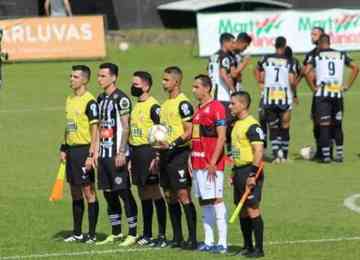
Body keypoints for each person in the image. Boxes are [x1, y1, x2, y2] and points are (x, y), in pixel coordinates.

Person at [95, 63, 138, 246]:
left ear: (113, 77)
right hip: (103, 153)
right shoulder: (100, 98)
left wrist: (121, 151)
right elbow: (98, 126)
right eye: (98, 76)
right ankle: (116, 232)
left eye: (103, 76)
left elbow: (126, 126)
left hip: (117, 154)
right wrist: (95, 150)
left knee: (123, 191)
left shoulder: (121, 99)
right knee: (107, 192)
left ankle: (133, 233)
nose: (100, 79)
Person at [158, 66, 197, 249]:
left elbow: (189, 131)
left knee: (183, 194)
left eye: (166, 80)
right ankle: (177, 237)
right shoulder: (164, 105)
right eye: (163, 79)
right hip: (165, 154)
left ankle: (193, 238)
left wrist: (172, 144)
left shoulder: (183, 103)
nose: (163, 82)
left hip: (179, 153)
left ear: (176, 81)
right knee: (169, 195)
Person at [304, 34, 359, 163]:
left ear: (319, 44)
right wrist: (347, 85)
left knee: (324, 126)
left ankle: (326, 157)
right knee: (338, 125)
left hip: (322, 95)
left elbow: (306, 71)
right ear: (329, 43)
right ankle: (339, 155)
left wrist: (313, 87)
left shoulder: (316, 56)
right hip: (337, 94)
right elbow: (356, 68)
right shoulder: (341, 54)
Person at [60, 65, 99, 243]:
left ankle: (91, 234)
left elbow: (95, 130)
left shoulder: (90, 101)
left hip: (85, 150)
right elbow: (68, 126)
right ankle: (77, 233)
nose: (71, 79)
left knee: (88, 191)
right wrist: (64, 147)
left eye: (75, 77)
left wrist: (92, 154)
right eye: (71, 76)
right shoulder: (69, 99)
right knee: (75, 192)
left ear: (84, 80)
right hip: (72, 151)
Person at [128, 71, 167, 248]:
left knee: (154, 192)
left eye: (136, 84)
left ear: (146, 86)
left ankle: (161, 234)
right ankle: (147, 233)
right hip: (136, 153)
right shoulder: (136, 106)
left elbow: (162, 130)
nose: (133, 87)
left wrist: (158, 156)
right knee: (143, 193)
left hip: (148, 152)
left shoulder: (154, 106)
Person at [191, 75, 228, 253]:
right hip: (198, 162)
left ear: (207, 88)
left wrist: (213, 161)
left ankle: (222, 243)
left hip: (211, 165)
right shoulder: (198, 109)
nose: (194, 90)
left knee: (216, 199)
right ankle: (208, 241)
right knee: (203, 200)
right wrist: (192, 158)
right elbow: (196, 137)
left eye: (196, 87)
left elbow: (222, 136)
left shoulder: (217, 107)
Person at [229, 91, 265, 258]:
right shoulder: (236, 124)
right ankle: (247, 246)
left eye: (233, 104)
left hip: (250, 170)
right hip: (239, 171)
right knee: (242, 210)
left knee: (252, 209)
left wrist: (252, 175)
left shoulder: (252, 125)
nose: (230, 106)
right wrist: (233, 171)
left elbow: (258, 151)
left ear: (243, 105)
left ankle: (259, 249)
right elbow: (236, 150)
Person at [255, 36, 295, 163]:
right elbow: (291, 80)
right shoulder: (289, 61)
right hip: (284, 97)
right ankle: (284, 155)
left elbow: (260, 75)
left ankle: (276, 155)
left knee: (273, 126)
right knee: (285, 125)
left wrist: (262, 84)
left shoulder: (266, 58)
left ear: (275, 45)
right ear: (284, 46)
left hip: (269, 96)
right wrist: (293, 92)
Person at [208, 33, 236, 155]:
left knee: (216, 125)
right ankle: (229, 153)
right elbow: (223, 74)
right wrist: (232, 89)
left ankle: (217, 152)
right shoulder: (225, 57)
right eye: (232, 42)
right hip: (223, 96)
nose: (233, 45)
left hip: (212, 95)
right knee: (230, 124)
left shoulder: (213, 56)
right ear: (225, 42)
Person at [303, 27, 325, 159]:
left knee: (331, 123)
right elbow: (304, 72)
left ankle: (327, 150)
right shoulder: (310, 54)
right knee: (316, 121)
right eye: (311, 34)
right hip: (317, 94)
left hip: (330, 93)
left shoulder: (330, 53)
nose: (312, 37)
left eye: (315, 34)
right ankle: (320, 149)